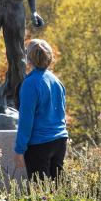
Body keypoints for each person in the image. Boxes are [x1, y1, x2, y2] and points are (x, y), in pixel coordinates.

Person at [14, 39, 68, 180]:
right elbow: (62, 114)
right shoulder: (57, 81)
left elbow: (26, 120)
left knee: (41, 193)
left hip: (39, 144)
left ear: (29, 59)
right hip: (60, 141)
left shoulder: (30, 84)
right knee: (58, 190)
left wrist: (19, 150)